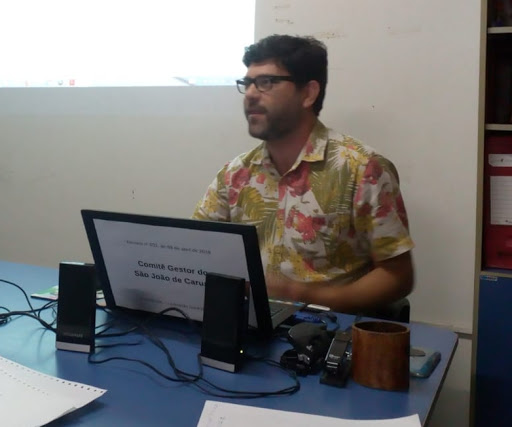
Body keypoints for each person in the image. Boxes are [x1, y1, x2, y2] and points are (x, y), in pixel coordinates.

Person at [192, 34, 414, 314]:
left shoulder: (362, 168)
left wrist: (305, 296)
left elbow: (397, 276)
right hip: (249, 324)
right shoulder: (234, 174)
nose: (250, 94)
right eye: (247, 83)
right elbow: (198, 250)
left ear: (308, 93)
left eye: (266, 82)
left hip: (328, 327)